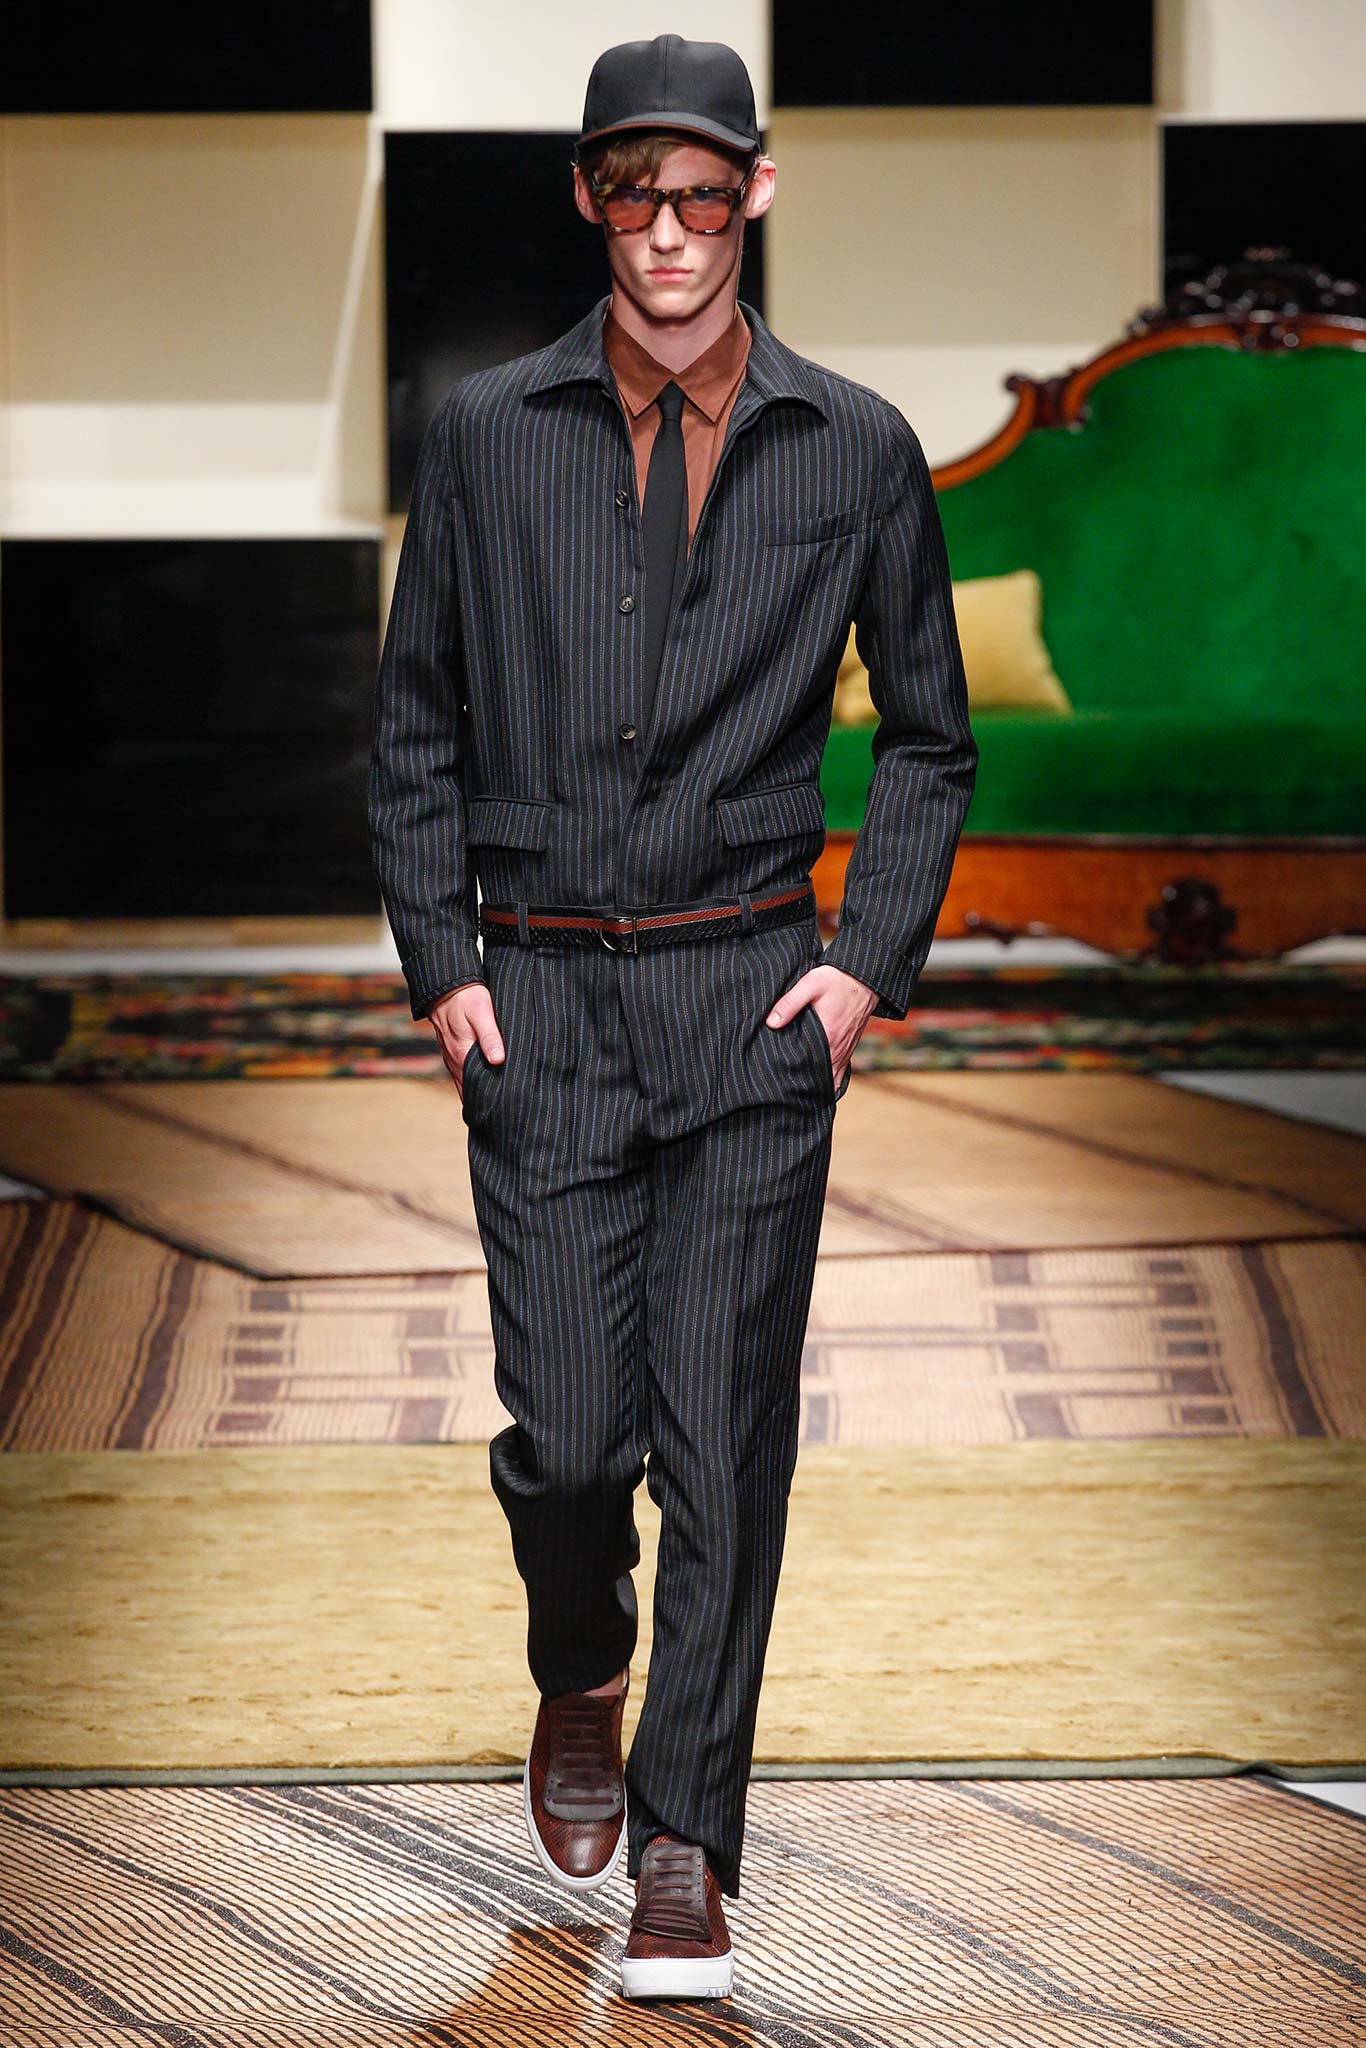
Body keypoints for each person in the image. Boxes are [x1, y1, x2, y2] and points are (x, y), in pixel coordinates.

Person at [369, 31, 977, 2003]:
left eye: (700, 193)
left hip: (748, 1001)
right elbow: (416, 727)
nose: (666, 231)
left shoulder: (855, 448)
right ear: (586, 198)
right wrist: (448, 970)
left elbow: (929, 738)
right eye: (632, 191)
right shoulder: (485, 437)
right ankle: (579, 1659)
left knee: (723, 1445)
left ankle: (685, 1846)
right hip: (536, 998)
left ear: (755, 194)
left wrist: (861, 966)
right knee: (567, 1442)